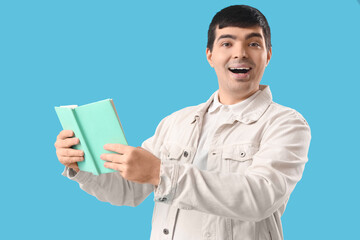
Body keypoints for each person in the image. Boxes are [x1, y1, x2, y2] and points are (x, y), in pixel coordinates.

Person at [54, 5, 311, 240]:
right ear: (209, 56)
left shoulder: (286, 124)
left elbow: (260, 197)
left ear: (268, 55)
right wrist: (82, 164)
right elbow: (129, 191)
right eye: (227, 44)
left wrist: (161, 172)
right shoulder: (175, 122)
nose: (240, 53)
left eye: (253, 44)